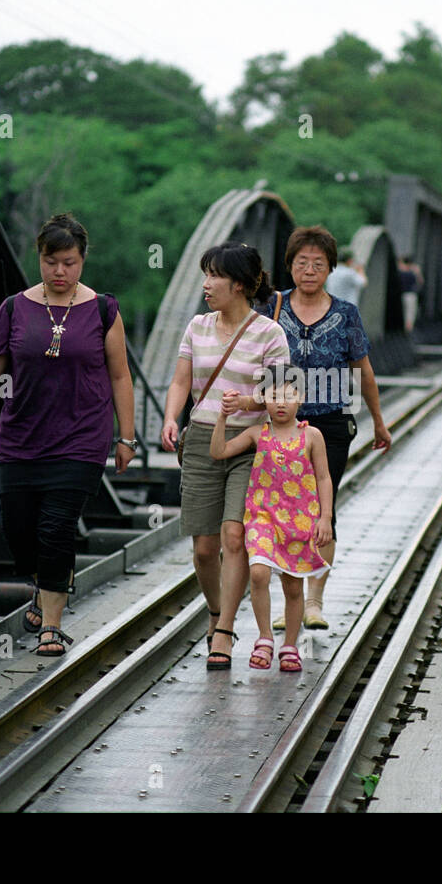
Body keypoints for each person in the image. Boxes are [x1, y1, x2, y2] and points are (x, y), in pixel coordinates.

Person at [0, 212, 137, 657]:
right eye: (51, 262)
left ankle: (52, 625)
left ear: (82, 261)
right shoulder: (14, 308)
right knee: (18, 529)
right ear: (39, 259)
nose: (59, 272)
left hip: (82, 437)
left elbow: (121, 377)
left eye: (69, 262)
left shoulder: (103, 310)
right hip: (21, 436)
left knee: (56, 527)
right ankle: (44, 584)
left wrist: (126, 438)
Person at [230, 225, 391, 632]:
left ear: (331, 269)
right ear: (290, 265)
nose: (310, 269)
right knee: (281, 513)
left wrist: (379, 421)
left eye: (319, 263)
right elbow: (247, 360)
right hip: (277, 425)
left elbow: (364, 371)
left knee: (321, 510)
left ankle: (313, 600)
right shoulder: (271, 307)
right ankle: (292, 601)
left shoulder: (346, 314)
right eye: (302, 262)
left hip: (329, 425)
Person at [159, 242, 290, 667]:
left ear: (238, 285)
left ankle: (226, 630)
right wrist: (170, 417)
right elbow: (181, 381)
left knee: (235, 536)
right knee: (203, 547)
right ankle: (216, 611)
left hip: (248, 443)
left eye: (213, 275)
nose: (205, 284)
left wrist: (250, 404)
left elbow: (282, 394)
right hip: (201, 440)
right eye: (205, 274)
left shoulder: (270, 334)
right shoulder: (197, 326)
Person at [209, 375, 333, 671]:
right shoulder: (257, 434)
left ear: (300, 400)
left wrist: (325, 517)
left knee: (292, 587)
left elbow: (324, 477)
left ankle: (289, 644)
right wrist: (222, 418)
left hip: (299, 522)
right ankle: (265, 637)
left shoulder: (312, 436)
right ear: (263, 399)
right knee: (260, 574)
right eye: (274, 396)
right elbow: (219, 452)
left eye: (288, 396)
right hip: (262, 517)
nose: (281, 403)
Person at [397, 255, 423, 333]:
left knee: (406, 313)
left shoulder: (401, 272)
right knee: (410, 313)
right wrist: (417, 272)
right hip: (411, 295)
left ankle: (406, 330)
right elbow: (421, 282)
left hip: (403, 294)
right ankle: (408, 330)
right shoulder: (411, 273)